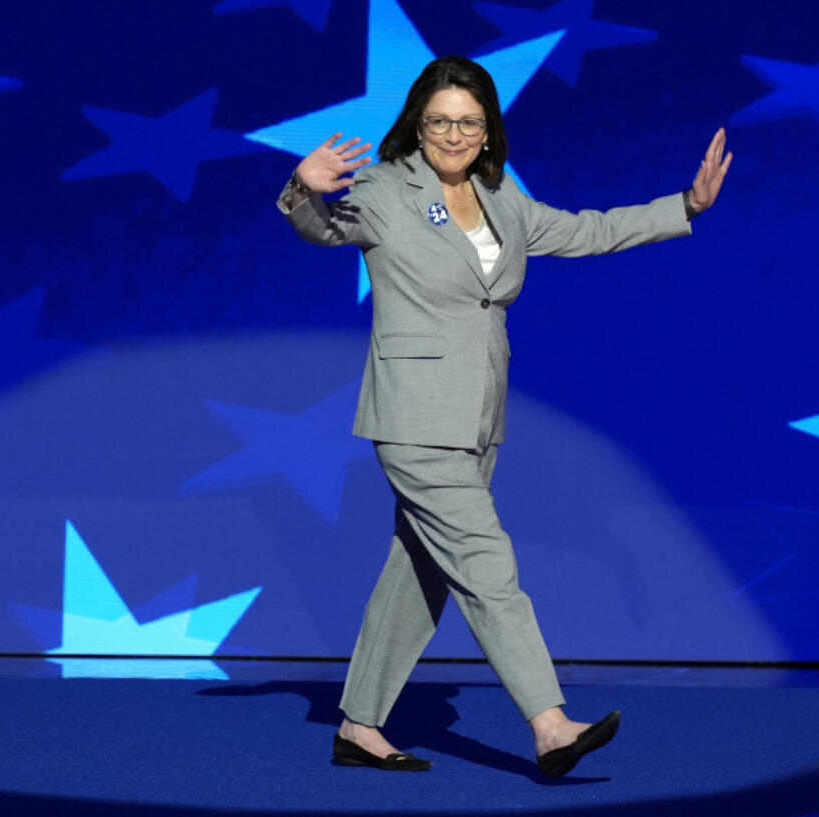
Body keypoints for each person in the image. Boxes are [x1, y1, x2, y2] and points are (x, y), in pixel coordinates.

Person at [277, 55, 730, 777]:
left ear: (488, 130)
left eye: (468, 122)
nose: (452, 135)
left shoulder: (502, 198)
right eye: (438, 121)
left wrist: (686, 206)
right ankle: (550, 724)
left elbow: (588, 230)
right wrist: (303, 186)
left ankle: (358, 724)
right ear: (416, 126)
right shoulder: (389, 190)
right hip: (414, 418)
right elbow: (324, 228)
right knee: (489, 566)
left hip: (480, 416)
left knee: (421, 570)